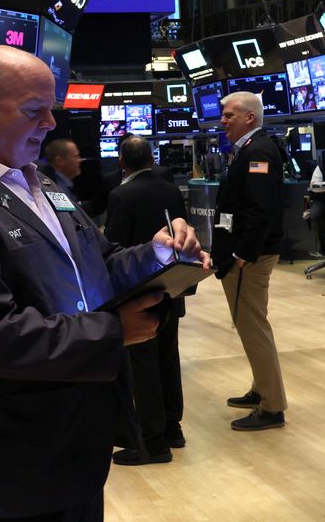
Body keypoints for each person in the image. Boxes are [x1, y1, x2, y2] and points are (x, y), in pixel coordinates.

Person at [0, 45, 209, 521]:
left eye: (51, 109)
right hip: (19, 449)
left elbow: (101, 264)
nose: (51, 123)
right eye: (34, 110)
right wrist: (112, 333)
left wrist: (157, 253)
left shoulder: (44, 187)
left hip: (81, 428)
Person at [103, 136, 189, 465]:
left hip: (138, 294)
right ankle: (172, 428)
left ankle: (152, 444)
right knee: (168, 358)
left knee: (143, 365)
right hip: (173, 286)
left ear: (122, 162)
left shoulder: (121, 195)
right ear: (151, 159)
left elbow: (114, 248)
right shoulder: (171, 189)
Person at [212, 91, 287, 431]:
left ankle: (272, 407)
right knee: (251, 325)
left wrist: (243, 253)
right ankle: (261, 389)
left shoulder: (258, 151)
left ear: (249, 118)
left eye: (229, 115)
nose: (223, 120)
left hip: (249, 258)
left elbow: (261, 209)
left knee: (253, 328)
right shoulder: (248, 149)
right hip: (245, 254)